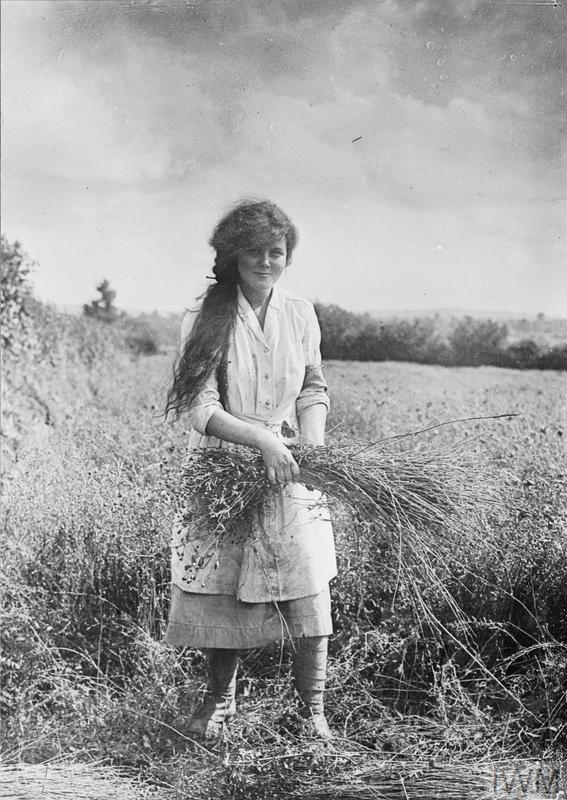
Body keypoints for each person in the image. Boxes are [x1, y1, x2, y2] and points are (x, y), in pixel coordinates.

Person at [164, 199, 336, 740]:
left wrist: (311, 446)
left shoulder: (300, 312)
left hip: (288, 465)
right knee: (225, 583)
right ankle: (219, 700)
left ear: (288, 256)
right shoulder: (204, 317)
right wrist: (260, 437)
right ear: (232, 256)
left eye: (276, 252)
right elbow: (199, 406)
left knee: (307, 577)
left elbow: (313, 386)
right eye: (253, 252)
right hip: (224, 465)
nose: (265, 262)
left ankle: (312, 710)